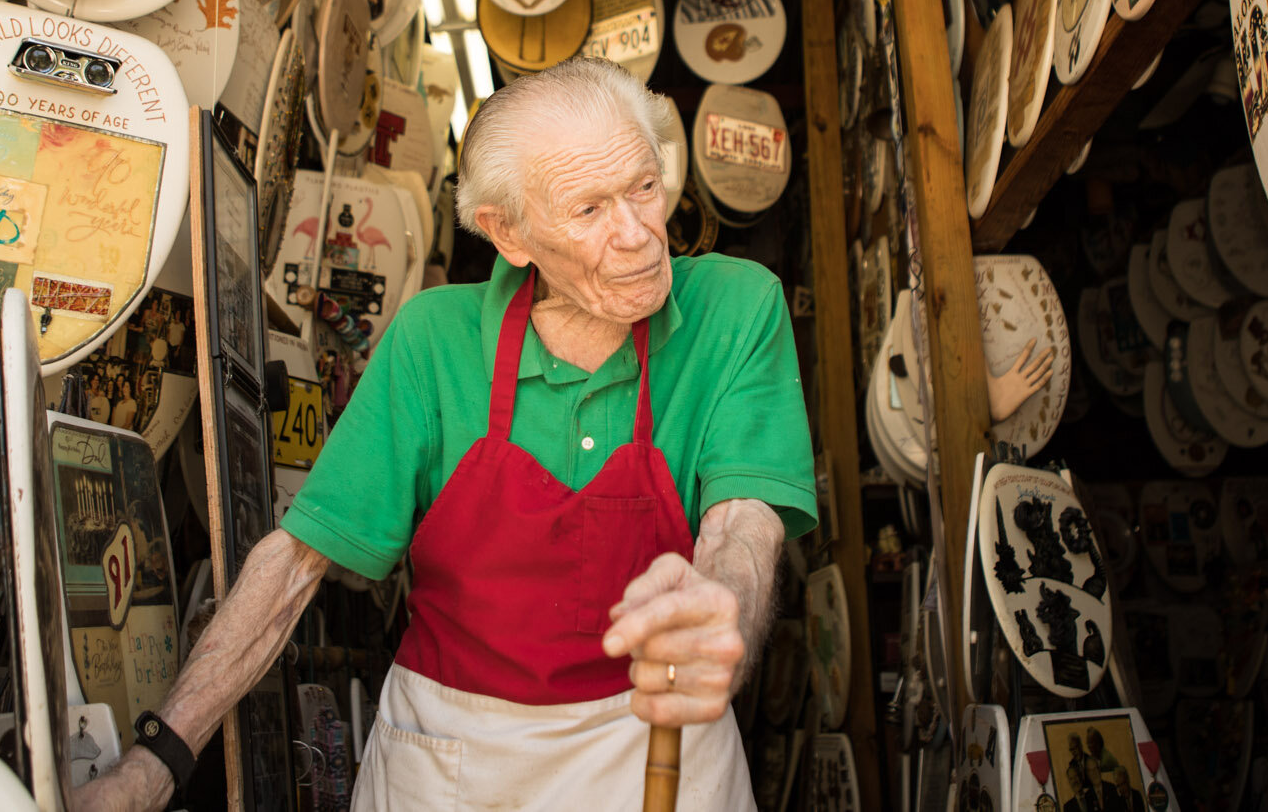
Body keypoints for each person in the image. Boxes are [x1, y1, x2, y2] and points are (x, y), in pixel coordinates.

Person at [77, 58, 815, 811]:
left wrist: (719, 606)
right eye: (589, 210)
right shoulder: (435, 338)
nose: (638, 235)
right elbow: (296, 565)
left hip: (661, 750)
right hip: (456, 762)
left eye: (644, 186)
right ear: (509, 232)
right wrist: (155, 762)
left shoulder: (736, 307)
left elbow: (742, 525)